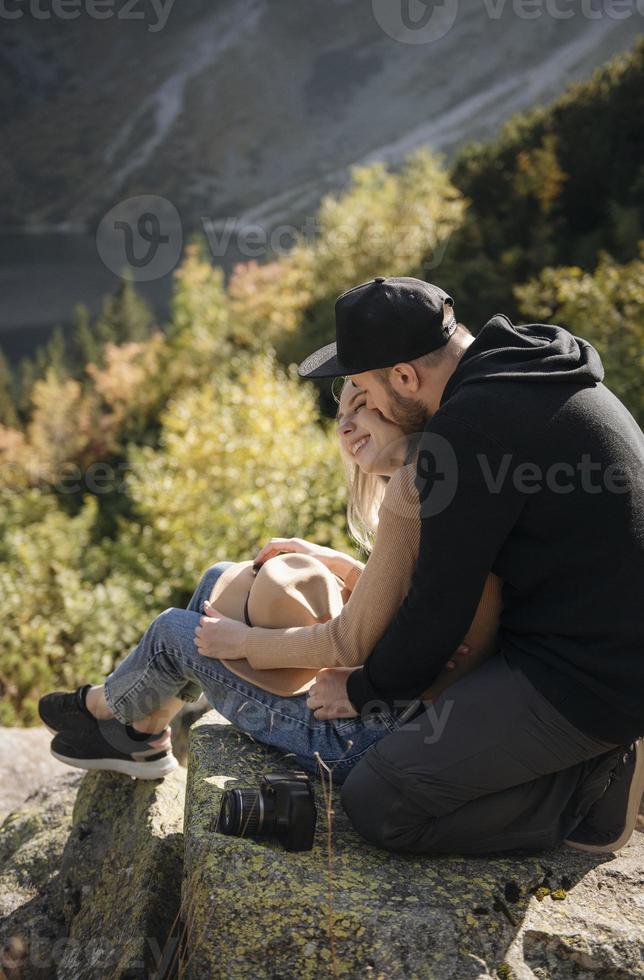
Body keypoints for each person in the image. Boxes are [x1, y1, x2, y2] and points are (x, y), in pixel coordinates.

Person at [271, 274, 642, 856]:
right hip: (589, 649)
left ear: (404, 377)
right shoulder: (530, 360)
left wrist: (366, 688)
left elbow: (440, 606)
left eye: (365, 391)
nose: (363, 407)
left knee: (377, 803)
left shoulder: (468, 430)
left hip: (586, 681)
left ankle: (583, 792)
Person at [39, 375, 501, 782]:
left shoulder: (412, 489)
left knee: (172, 634)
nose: (344, 427)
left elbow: (348, 644)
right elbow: (404, 602)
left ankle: (102, 706)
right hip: (388, 717)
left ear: (400, 408)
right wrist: (335, 561)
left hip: (362, 737)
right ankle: (141, 732)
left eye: (363, 407)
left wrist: (240, 643)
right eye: (341, 416)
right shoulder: (440, 479)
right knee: (219, 577)